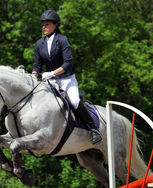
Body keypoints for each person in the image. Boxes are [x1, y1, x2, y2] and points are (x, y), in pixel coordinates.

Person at [32, 10, 102, 144]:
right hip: (50, 82)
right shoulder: (39, 44)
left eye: (47, 24)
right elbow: (37, 66)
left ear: (56, 25)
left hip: (66, 80)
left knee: (75, 101)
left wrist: (52, 73)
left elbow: (68, 63)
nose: (44, 27)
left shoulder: (62, 40)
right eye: (42, 25)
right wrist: (33, 76)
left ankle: (93, 129)